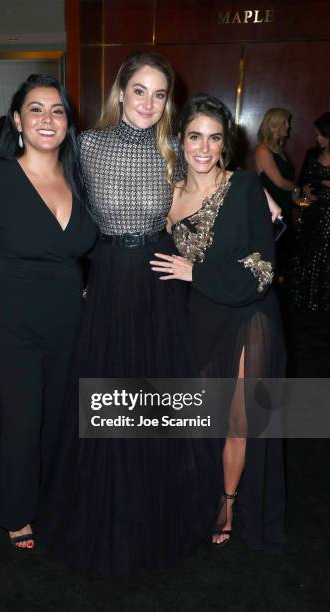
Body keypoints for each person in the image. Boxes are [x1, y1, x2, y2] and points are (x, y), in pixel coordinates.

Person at [37, 52, 222, 575]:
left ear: (168, 102)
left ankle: (157, 508)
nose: (148, 102)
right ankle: (109, 510)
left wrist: (264, 200)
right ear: (121, 92)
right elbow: (43, 179)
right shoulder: (88, 145)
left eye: (159, 94)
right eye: (139, 90)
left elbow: (215, 181)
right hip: (111, 286)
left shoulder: (174, 148)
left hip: (161, 286)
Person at [0, 75, 97, 549]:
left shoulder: (79, 179)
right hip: (9, 323)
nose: (47, 119)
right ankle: (18, 512)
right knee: (22, 421)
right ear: (16, 120)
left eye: (57, 110)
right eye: (35, 109)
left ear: (67, 123)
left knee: (61, 418)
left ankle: (56, 496)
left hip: (68, 323)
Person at [151, 94, 286, 552]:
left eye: (214, 138)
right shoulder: (165, 196)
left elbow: (263, 270)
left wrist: (196, 271)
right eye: (195, 137)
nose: (204, 148)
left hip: (250, 315)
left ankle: (228, 504)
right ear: (181, 139)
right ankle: (199, 494)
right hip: (202, 317)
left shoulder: (246, 187)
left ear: (225, 142)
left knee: (236, 422)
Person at [289, 112, 330, 375]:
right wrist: (301, 195)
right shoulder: (311, 154)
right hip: (312, 215)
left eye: (320, 133)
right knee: (309, 257)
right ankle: (309, 300)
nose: (317, 138)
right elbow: (301, 185)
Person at [254, 108, 298, 278]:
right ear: (274, 125)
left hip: (283, 205)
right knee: (274, 257)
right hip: (270, 210)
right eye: (285, 122)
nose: (288, 126)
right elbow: (278, 181)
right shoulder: (263, 150)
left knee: (284, 257)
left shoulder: (279, 149)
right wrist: (296, 188)